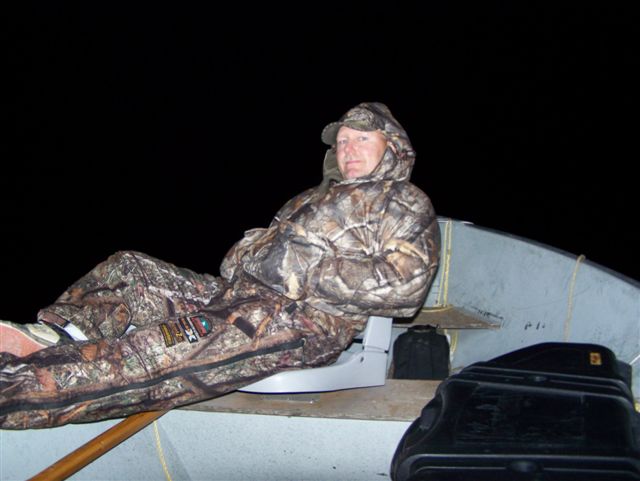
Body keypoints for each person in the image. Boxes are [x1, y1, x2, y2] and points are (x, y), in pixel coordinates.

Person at [0, 102, 440, 429]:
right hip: (237, 296)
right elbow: (242, 260)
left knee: (155, 350)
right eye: (342, 141)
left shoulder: (405, 203)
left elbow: (405, 287)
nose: (348, 149)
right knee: (130, 270)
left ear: (391, 147)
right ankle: (59, 336)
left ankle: (17, 389)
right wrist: (249, 253)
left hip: (301, 321)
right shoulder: (310, 199)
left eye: (361, 139)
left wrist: (297, 268)